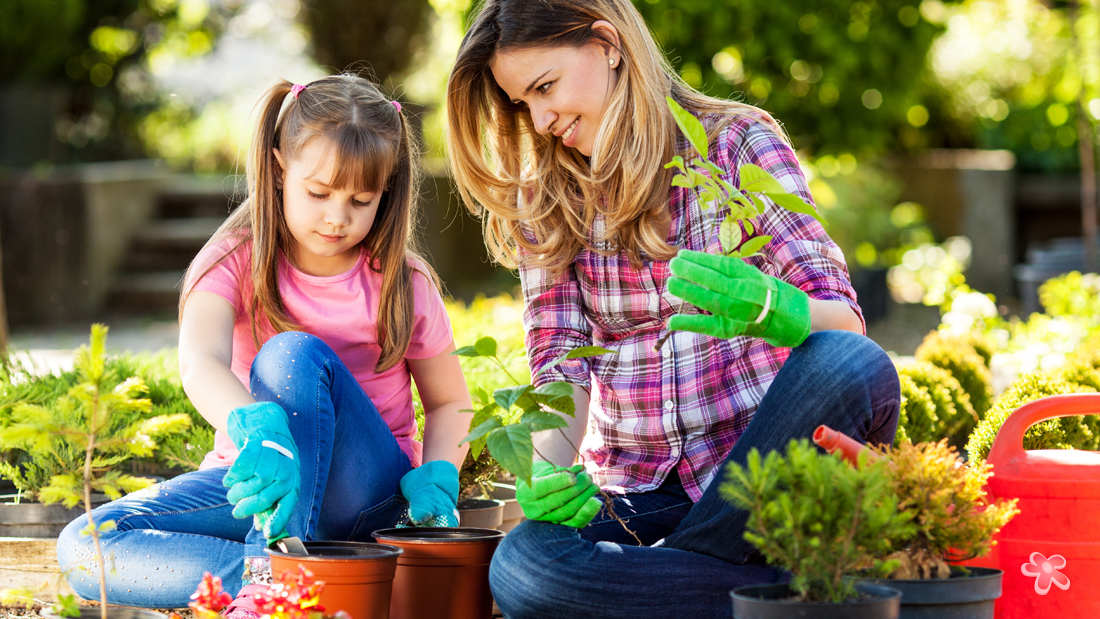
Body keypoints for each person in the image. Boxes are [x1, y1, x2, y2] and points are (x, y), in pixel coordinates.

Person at [445, 1, 901, 617]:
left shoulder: (738, 142)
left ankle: (674, 584)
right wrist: (546, 471)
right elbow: (560, 369)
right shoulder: (547, 199)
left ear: (608, 44)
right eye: (524, 104)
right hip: (642, 490)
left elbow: (844, 323)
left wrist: (776, 309)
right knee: (525, 564)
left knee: (848, 361)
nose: (543, 118)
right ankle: (775, 593)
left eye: (546, 87)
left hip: (761, 473)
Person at [56, 74, 473, 614]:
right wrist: (255, 428)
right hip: (260, 488)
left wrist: (438, 475)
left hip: (365, 497)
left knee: (290, 355)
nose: (336, 216)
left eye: (361, 200)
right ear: (279, 168)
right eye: (319, 193)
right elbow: (200, 360)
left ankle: (269, 585)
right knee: (88, 543)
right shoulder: (234, 259)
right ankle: (283, 581)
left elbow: (448, 402)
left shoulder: (402, 280)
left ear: (387, 191)